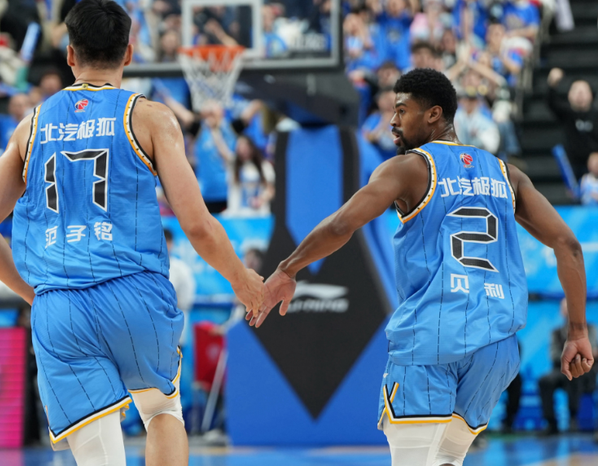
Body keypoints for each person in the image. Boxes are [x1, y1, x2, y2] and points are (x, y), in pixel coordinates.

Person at [0, 0, 263, 466]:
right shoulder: (150, 117)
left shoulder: (31, 126)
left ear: (70, 55)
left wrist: (33, 294)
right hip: (134, 295)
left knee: (96, 450)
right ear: (128, 53)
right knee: (161, 410)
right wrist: (242, 280)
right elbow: (197, 224)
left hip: (61, 305)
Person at [252, 68, 594, 466]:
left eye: (402, 110)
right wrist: (578, 332)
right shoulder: (508, 175)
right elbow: (569, 246)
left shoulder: (409, 169)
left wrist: (288, 269)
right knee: (447, 460)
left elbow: (342, 224)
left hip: (432, 336)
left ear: (434, 114)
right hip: (495, 347)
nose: (392, 121)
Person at [538, 298, 598, 434]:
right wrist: (570, 357)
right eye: (567, 308)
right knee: (545, 380)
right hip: (561, 368)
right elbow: (554, 355)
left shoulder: (591, 329)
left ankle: (573, 418)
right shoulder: (556, 332)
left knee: (576, 373)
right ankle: (551, 422)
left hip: (586, 369)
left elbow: (594, 351)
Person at [547, 67, 598, 180]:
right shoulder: (566, 114)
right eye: (575, 90)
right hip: (573, 165)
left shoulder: (596, 115)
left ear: (591, 94)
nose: (580, 94)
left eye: (583, 91)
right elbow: (552, 103)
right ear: (569, 95)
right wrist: (552, 84)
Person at [165, 229, 195, 346]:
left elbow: (187, 300)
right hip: (151, 333)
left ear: (171, 244)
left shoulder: (181, 269)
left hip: (174, 330)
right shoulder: (147, 267)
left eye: (166, 242)